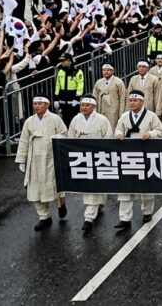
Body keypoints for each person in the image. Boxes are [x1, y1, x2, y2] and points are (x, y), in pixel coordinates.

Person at [113, 90, 162, 233]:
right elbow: (118, 129)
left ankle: (147, 212)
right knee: (125, 188)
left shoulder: (151, 116)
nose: (132, 103)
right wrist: (118, 134)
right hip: (128, 156)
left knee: (146, 186)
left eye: (135, 101)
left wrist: (151, 134)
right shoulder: (124, 116)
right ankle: (124, 219)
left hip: (145, 155)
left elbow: (160, 131)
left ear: (142, 102)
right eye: (130, 101)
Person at [16, 96, 69, 231]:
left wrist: (59, 138)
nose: (37, 106)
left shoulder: (55, 119)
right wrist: (22, 159)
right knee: (35, 189)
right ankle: (44, 217)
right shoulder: (29, 121)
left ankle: (61, 204)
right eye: (35, 104)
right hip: (34, 159)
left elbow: (65, 133)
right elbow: (23, 141)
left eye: (39, 103)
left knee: (55, 186)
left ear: (47, 105)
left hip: (51, 157)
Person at [68, 96, 113, 235]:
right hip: (82, 157)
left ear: (94, 107)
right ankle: (97, 206)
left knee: (95, 186)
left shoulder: (102, 120)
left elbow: (108, 138)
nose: (84, 107)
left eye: (87, 105)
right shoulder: (76, 120)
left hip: (98, 156)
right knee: (88, 186)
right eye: (82, 105)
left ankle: (88, 218)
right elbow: (71, 138)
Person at [92, 63, 126, 129]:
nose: (106, 72)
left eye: (108, 70)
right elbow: (94, 96)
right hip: (101, 109)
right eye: (104, 70)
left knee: (112, 127)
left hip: (114, 110)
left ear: (112, 71)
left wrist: (121, 113)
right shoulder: (99, 82)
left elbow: (122, 98)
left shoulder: (119, 82)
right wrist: (94, 110)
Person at [53, 53, 83, 125]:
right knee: (64, 120)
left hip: (73, 100)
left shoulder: (77, 72)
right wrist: (56, 99)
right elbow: (57, 85)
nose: (62, 62)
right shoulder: (60, 71)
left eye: (64, 61)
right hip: (63, 101)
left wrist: (77, 99)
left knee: (74, 120)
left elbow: (80, 86)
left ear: (69, 61)